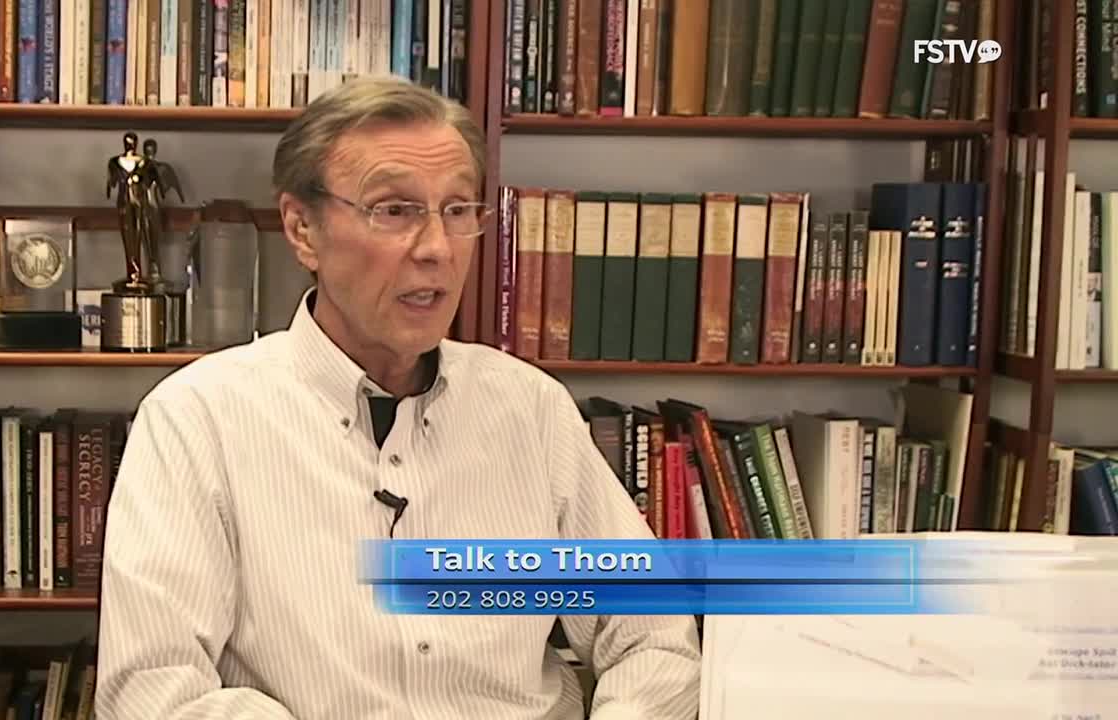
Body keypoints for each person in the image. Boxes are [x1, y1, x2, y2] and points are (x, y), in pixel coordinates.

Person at [94, 76, 700, 719]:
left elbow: (654, 638)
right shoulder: (197, 419)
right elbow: (153, 692)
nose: (437, 249)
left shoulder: (532, 409)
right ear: (303, 230)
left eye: (459, 210)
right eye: (395, 210)